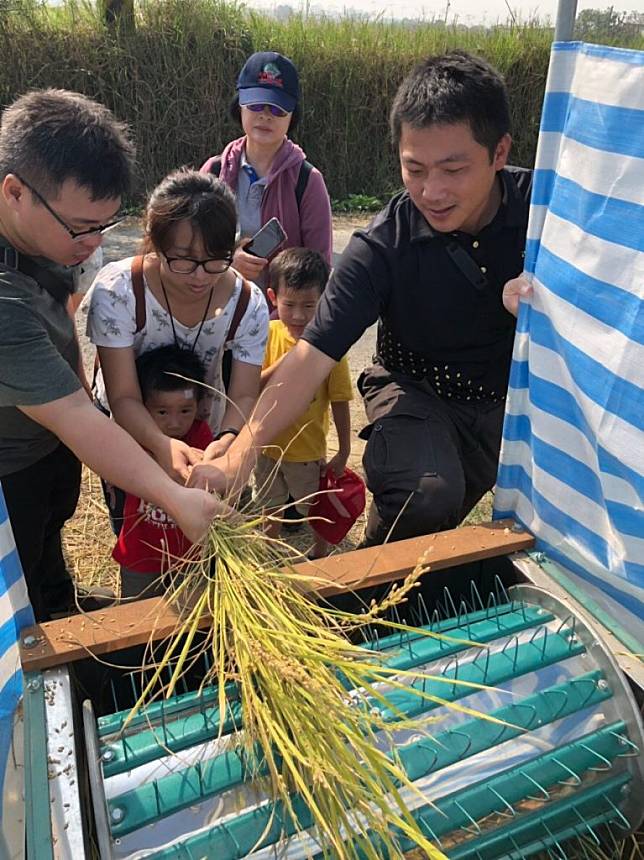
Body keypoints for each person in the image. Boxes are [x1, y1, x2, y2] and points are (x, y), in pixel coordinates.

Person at [189, 52, 533, 548]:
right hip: (416, 388)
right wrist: (242, 454)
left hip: (512, 396)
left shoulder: (545, 211)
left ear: (499, 153)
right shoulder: (383, 244)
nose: (432, 191)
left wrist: (550, 292)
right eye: (414, 168)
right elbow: (310, 356)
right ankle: (374, 592)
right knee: (428, 495)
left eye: (453, 169)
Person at [0, 89, 224, 622]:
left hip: (42, 445)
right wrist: (174, 499)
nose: (93, 242)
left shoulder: (43, 238)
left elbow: (62, 330)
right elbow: (77, 416)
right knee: (20, 584)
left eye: (105, 225)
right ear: (14, 192)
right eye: (81, 227)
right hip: (9, 473)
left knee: (49, 543)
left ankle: (57, 599)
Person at [83, 168, 268, 532]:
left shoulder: (248, 303)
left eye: (215, 259)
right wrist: (159, 444)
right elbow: (122, 397)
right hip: (132, 436)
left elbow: (244, 393)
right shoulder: (119, 290)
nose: (200, 276)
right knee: (141, 537)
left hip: (205, 436)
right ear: (154, 242)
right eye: (183, 260)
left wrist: (227, 442)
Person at [200, 51, 333, 294]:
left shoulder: (308, 182)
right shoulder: (214, 171)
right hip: (215, 313)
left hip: (277, 323)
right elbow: (192, 248)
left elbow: (319, 269)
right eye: (256, 105)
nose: (265, 115)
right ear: (239, 106)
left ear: (292, 116)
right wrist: (228, 262)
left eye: (277, 109)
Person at [254, 248, 352, 559]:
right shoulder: (266, 335)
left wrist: (345, 448)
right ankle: (268, 546)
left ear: (324, 299)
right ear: (273, 298)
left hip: (306, 451)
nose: (298, 315)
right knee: (269, 502)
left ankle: (320, 550)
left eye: (309, 305)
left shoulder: (331, 346)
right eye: (289, 304)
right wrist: (288, 362)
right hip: (266, 446)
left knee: (314, 505)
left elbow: (340, 400)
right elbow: (251, 386)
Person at [113, 345, 213, 598]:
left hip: (189, 553)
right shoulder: (132, 438)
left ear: (200, 406)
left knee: (192, 614)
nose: (175, 423)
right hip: (141, 551)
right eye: (162, 412)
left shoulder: (201, 436)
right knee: (136, 615)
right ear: (142, 407)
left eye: (185, 411)